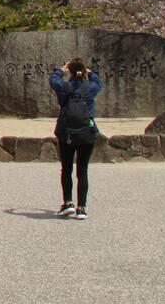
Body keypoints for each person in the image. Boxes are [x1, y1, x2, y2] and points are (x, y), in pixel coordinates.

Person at [50, 57, 103, 220]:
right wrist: (88, 71)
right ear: (83, 71)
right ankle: (82, 208)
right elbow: (98, 81)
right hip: (87, 133)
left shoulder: (64, 87)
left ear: (70, 71)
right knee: (83, 170)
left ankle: (68, 203)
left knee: (66, 169)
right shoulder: (90, 87)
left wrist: (61, 70)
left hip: (67, 133)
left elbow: (52, 79)